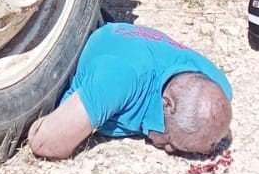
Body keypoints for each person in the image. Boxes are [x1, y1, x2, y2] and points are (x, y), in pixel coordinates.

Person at [28, 20, 232, 161]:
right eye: (172, 141)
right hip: (106, 47)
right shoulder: (121, 77)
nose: (169, 149)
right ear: (167, 103)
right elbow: (44, 141)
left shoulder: (219, 87)